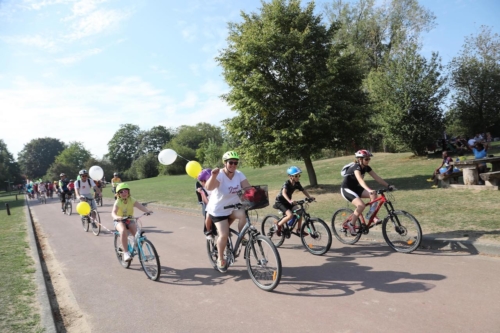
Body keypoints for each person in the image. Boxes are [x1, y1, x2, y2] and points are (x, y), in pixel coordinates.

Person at [205, 151, 250, 273]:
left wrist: (254, 197)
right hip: (218, 210)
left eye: (236, 163)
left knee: (243, 214)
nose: (233, 165)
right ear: (225, 163)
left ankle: (242, 237)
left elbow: (248, 188)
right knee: (223, 235)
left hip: (232, 208)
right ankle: (220, 258)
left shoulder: (239, 174)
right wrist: (213, 175)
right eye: (231, 162)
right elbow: (209, 187)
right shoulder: (219, 174)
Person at [341, 150, 395, 235]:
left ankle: (370, 215)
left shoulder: (366, 167)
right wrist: (369, 190)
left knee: (374, 194)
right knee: (361, 205)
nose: (368, 160)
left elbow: (377, 178)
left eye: (369, 159)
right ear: (360, 159)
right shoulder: (356, 167)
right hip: (346, 189)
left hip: (355, 188)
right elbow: (360, 180)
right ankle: (351, 224)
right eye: (366, 159)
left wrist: (388, 185)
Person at [111, 183, 153, 262]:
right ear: (118, 194)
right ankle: (126, 253)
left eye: (125, 191)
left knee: (137, 234)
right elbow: (113, 212)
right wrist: (117, 217)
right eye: (121, 192)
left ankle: (135, 246)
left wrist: (147, 211)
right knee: (123, 231)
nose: (124, 193)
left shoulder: (131, 199)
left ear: (128, 192)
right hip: (119, 220)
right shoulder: (118, 202)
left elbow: (140, 206)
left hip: (129, 219)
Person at [272, 166, 314, 236]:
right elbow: (283, 193)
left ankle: (299, 230)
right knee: (290, 215)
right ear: (290, 176)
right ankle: (278, 225)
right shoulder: (287, 183)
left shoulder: (297, 183)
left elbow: (303, 190)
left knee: (300, 212)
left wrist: (309, 197)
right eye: (296, 175)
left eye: (299, 175)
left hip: (288, 201)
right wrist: (290, 200)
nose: (298, 177)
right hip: (280, 202)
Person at [196, 168, 216, 240]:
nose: (201, 183)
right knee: (209, 215)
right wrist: (202, 193)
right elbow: (206, 201)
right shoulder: (203, 189)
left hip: (219, 204)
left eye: (202, 181)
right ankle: (208, 231)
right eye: (200, 181)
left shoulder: (215, 185)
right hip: (210, 205)